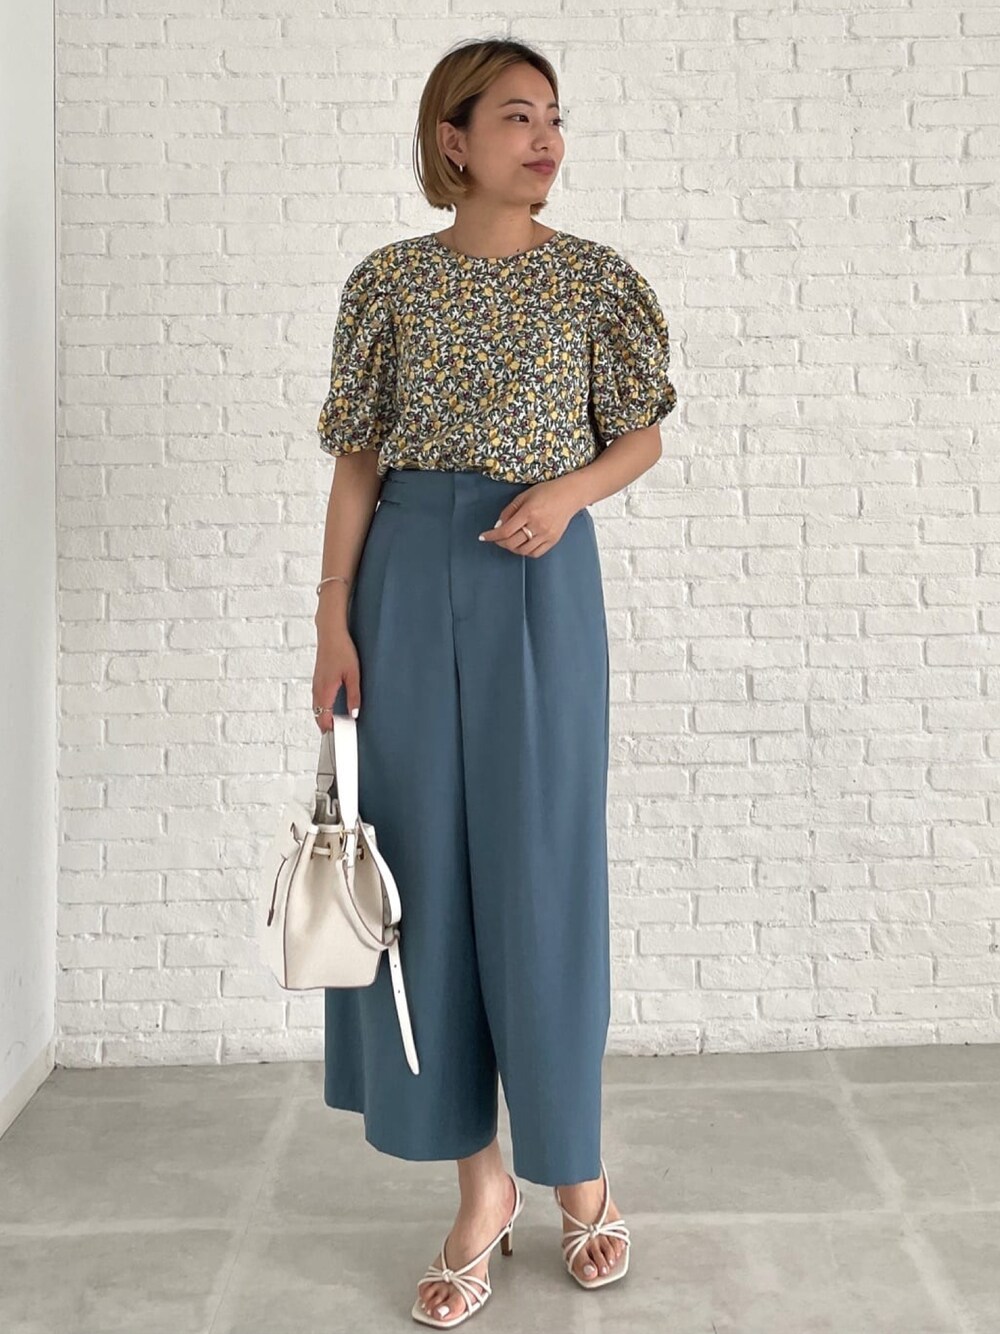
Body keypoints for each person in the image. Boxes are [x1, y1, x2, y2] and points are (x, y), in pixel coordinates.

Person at [311, 36, 677, 1329]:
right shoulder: (388, 282)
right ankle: (481, 1189)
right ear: (452, 138)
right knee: (419, 872)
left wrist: (568, 492)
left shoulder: (596, 279)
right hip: (404, 578)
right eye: (518, 116)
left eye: (556, 117)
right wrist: (332, 616)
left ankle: (579, 1172)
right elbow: (357, 458)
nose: (547, 139)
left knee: (543, 867)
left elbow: (640, 431)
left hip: (537, 579)